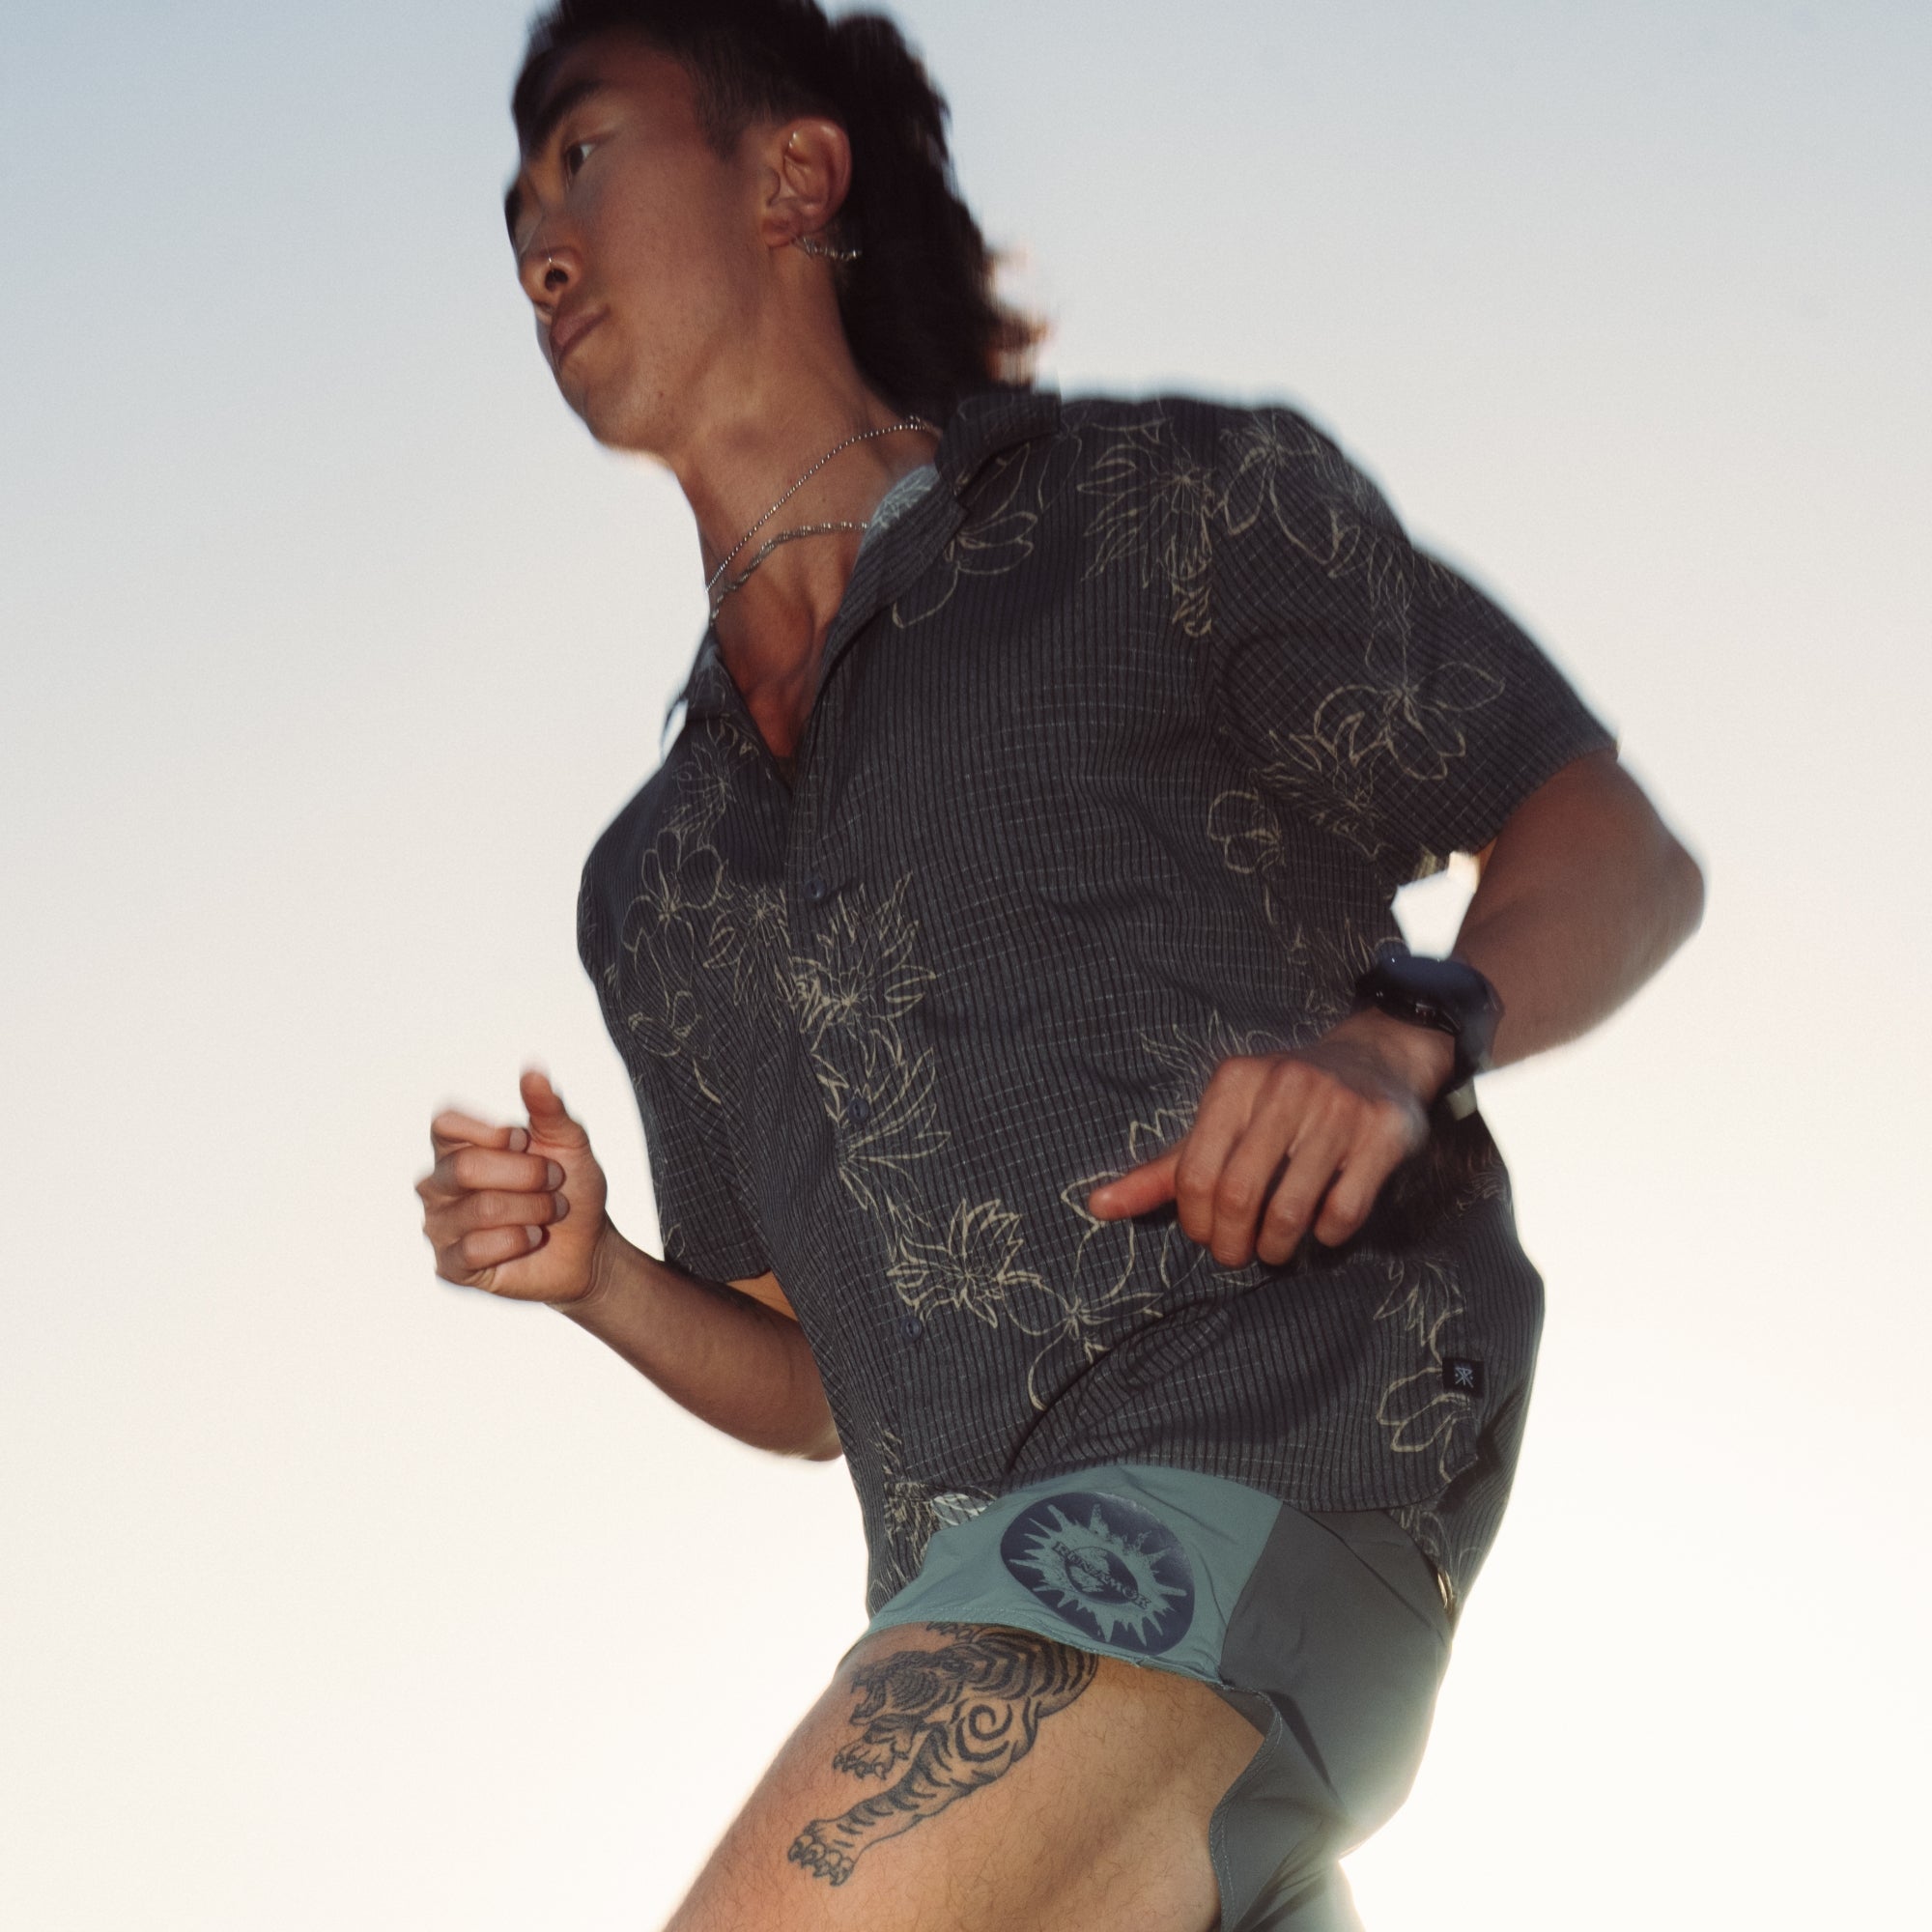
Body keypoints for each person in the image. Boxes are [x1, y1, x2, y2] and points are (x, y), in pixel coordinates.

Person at [414, 3, 1705, 1926]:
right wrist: (603, 1278)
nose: (534, 232)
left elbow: (1607, 841)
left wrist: (1399, 1037)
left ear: (792, 176)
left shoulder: (1151, 511)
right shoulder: (657, 883)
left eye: (585, 152)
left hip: (1281, 1439)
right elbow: (813, 1381)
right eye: (513, 200)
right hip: (993, 1618)